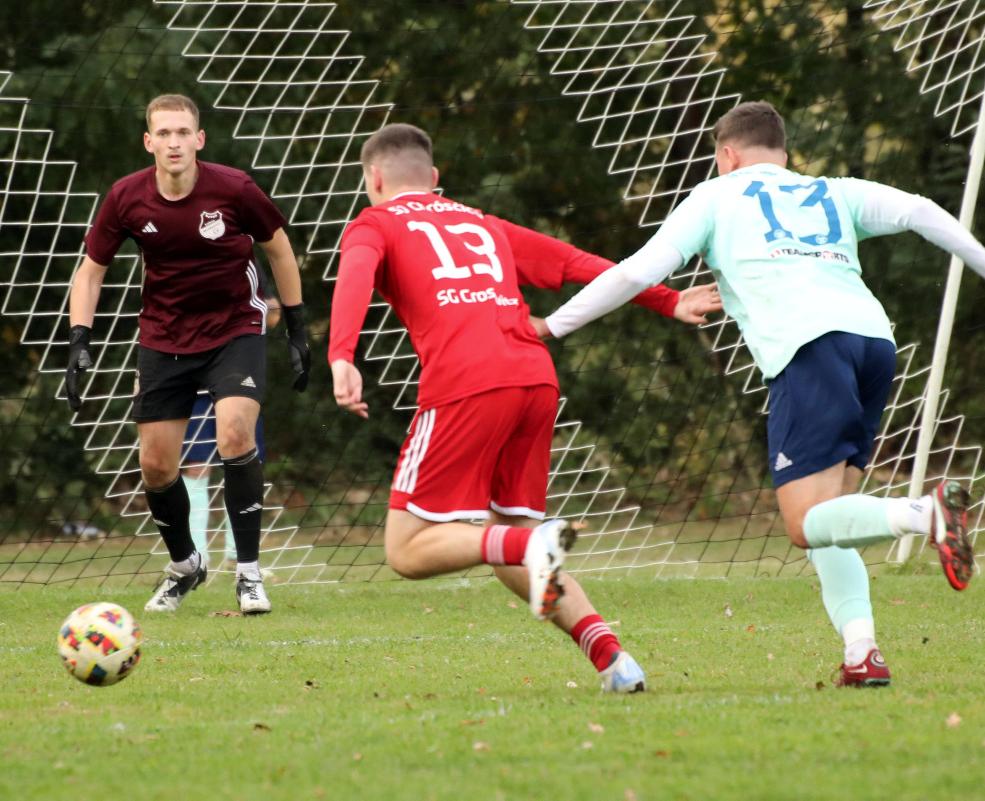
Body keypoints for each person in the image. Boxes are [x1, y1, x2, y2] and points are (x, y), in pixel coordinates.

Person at [536, 101, 985, 687]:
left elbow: (634, 272)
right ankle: (862, 653)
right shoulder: (832, 190)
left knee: (805, 525)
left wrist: (554, 325)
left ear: (727, 155)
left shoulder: (715, 196)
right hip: (873, 345)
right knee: (830, 520)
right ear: (782, 153)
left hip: (810, 351)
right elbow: (919, 210)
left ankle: (926, 512)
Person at [328, 123, 722, 692]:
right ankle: (613, 659)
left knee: (407, 550)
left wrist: (342, 354)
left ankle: (531, 545)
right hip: (534, 380)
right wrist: (666, 299)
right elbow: (574, 262)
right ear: (434, 180)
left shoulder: (374, 223)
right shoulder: (483, 223)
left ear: (374, 178)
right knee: (509, 539)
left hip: (467, 383)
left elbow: (355, 279)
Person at [65, 94, 312, 615]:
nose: (174, 142)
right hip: (163, 336)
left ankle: (248, 574)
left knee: (235, 434)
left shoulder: (235, 188)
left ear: (199, 140)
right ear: (148, 141)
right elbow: (91, 270)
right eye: (164, 133)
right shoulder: (126, 197)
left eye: (184, 133)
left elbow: (279, 247)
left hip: (233, 327)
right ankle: (185, 566)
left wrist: (296, 326)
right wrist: (79, 339)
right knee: (155, 465)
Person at [182, 269, 277, 571]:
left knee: (245, 461)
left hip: (237, 378)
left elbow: (272, 313)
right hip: (193, 383)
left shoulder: (246, 262)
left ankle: (239, 554)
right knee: (197, 467)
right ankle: (195, 556)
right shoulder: (181, 262)